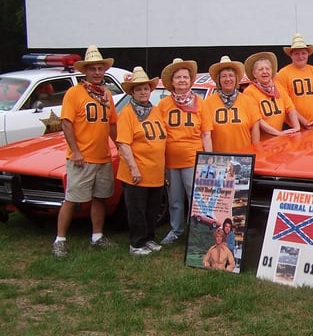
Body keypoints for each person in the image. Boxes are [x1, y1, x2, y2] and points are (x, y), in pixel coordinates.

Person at [52, 46, 119, 257]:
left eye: (100, 68)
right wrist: (76, 151)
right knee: (72, 199)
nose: (97, 72)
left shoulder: (107, 95)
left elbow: (112, 125)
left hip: (102, 157)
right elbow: (66, 123)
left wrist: (120, 147)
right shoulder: (74, 93)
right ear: (85, 71)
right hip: (81, 159)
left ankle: (97, 236)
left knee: (100, 198)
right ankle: (60, 240)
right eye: (93, 69)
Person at [158, 58, 213, 245]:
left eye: (185, 77)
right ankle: (176, 230)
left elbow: (206, 133)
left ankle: (197, 232)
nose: (182, 80)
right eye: (178, 77)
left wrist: (208, 159)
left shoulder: (201, 103)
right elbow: (159, 135)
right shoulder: (163, 105)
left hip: (193, 158)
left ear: (191, 80)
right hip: (171, 160)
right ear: (172, 82)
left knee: (196, 198)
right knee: (174, 200)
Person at [115, 67, 167, 256]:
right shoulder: (127, 114)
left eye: (145, 89)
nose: (143, 92)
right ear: (132, 92)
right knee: (136, 209)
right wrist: (134, 168)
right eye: (138, 89)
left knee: (152, 209)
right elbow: (124, 143)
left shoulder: (155, 111)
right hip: (136, 172)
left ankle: (149, 239)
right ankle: (136, 244)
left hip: (155, 171)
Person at [206, 56, 261, 152]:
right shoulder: (207, 103)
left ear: (236, 79)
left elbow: (255, 130)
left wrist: (255, 153)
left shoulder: (249, 101)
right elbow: (205, 134)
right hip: (218, 159)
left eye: (231, 75)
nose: (228, 79)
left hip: (243, 158)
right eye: (224, 76)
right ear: (218, 80)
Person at [274, 33, 313, 129]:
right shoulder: (283, 73)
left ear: (308, 54)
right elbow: (286, 103)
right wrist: (305, 122)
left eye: (303, 53)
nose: (301, 56)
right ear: (291, 55)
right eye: (296, 53)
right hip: (293, 125)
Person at [243, 51, 300, 137]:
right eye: (260, 69)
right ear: (254, 74)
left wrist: (296, 127)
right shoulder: (249, 92)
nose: (265, 72)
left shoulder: (279, 87)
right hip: (263, 142)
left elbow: (290, 108)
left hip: (280, 139)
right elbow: (258, 120)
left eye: (267, 68)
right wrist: (278, 133)